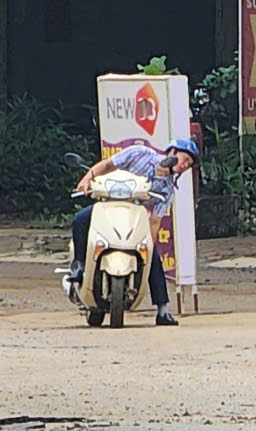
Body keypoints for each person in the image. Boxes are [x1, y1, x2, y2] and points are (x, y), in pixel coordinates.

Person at [66, 137, 197, 326]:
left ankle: (163, 310)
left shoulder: (168, 188)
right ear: (173, 152)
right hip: (109, 204)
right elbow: (108, 164)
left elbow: (155, 220)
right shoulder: (140, 153)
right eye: (185, 159)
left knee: (152, 256)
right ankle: (78, 265)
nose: (185, 165)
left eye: (189, 164)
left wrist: (147, 246)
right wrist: (86, 180)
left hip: (135, 217)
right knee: (80, 219)